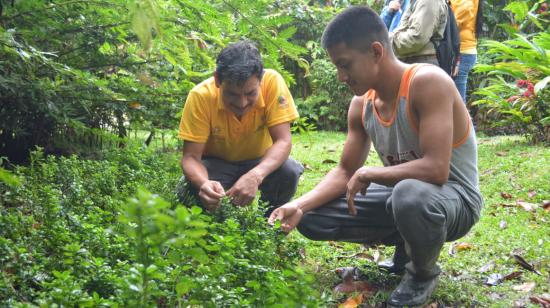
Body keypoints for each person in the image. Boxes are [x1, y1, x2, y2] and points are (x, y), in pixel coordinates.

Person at [268, 6, 483, 307]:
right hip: (403, 196)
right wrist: (298, 204)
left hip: (455, 199)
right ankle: (408, 246)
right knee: (313, 217)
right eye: (337, 68)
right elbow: (345, 171)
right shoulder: (361, 105)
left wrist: (371, 173)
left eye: (346, 65)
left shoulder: (428, 83)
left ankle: (421, 273)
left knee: (408, 195)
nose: (341, 77)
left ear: (376, 51)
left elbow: (437, 170)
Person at [177, 41, 303, 216]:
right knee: (189, 188)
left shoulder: (272, 82)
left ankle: (270, 221)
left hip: (260, 160)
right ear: (217, 80)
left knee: (288, 171)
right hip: (216, 163)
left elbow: (283, 141)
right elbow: (191, 157)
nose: (242, 103)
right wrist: (204, 184)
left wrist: (256, 175)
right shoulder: (200, 96)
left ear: (261, 80)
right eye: (232, 94)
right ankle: (212, 222)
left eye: (250, 93)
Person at [390, 0, 447, 65]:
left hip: (419, 62)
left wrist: (387, 41)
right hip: (411, 60)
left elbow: (417, 38)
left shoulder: (428, 2)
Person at [452, 0, 483, 103]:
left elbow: (452, 24)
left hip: (463, 52)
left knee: (458, 101)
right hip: (463, 51)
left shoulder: (466, 3)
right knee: (456, 99)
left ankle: (463, 119)